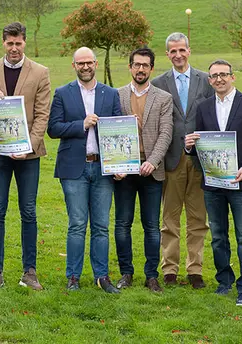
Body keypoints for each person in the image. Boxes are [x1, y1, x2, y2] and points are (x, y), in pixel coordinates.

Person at [184, 59, 242, 306]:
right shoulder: (203, 107)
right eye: (214, 76)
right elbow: (200, 143)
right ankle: (224, 281)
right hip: (213, 184)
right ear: (209, 81)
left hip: (241, 183)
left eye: (223, 74)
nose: (219, 79)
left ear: (233, 77)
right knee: (219, 236)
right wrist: (190, 146)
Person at [0, 22, 51, 290]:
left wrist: (28, 146)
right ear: (3, 43)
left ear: (25, 43)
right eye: (10, 43)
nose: (14, 48)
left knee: (28, 212)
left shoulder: (40, 73)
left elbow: (42, 116)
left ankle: (29, 271)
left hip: (28, 156)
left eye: (19, 43)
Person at [47, 47, 122, 293]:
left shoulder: (110, 94)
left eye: (89, 62)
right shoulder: (62, 93)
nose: (85, 67)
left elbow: (119, 129)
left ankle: (102, 277)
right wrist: (81, 124)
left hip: (103, 167)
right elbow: (54, 128)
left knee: (101, 225)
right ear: (74, 66)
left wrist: (120, 164)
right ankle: (73, 277)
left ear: (96, 64)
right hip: (74, 168)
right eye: (81, 63)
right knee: (77, 224)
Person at [150, 32, 214, 288]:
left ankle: (195, 269)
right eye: (172, 51)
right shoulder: (158, 83)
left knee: (199, 218)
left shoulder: (205, 81)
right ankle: (170, 269)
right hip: (172, 159)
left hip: (200, 160)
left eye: (182, 50)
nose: (178, 55)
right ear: (167, 54)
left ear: (189, 50)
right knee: (170, 218)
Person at [113, 47, 173, 293]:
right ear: (130, 67)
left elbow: (166, 133)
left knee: (151, 225)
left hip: (151, 171)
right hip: (124, 172)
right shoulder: (115, 96)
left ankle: (151, 275)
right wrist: (115, 165)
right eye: (136, 65)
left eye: (145, 65)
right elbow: (111, 132)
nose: (140, 69)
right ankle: (126, 273)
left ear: (151, 68)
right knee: (122, 224)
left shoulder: (163, 98)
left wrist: (154, 160)